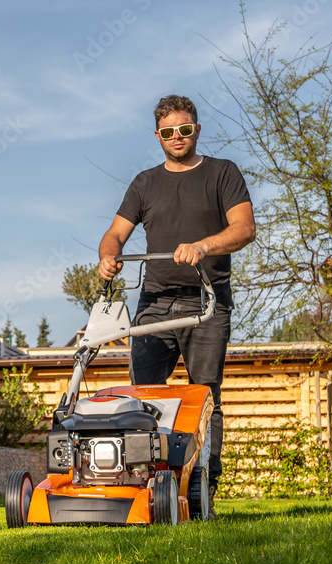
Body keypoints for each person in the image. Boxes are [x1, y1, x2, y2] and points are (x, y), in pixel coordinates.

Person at [97, 94, 256, 518]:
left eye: (184, 130)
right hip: (154, 302)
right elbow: (115, 233)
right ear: (158, 136)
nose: (177, 137)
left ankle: (205, 490)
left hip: (207, 301)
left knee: (204, 396)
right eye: (168, 132)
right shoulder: (145, 183)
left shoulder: (223, 173)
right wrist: (108, 256)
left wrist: (204, 245)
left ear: (197, 130)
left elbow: (244, 229)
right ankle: (141, 486)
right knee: (141, 396)